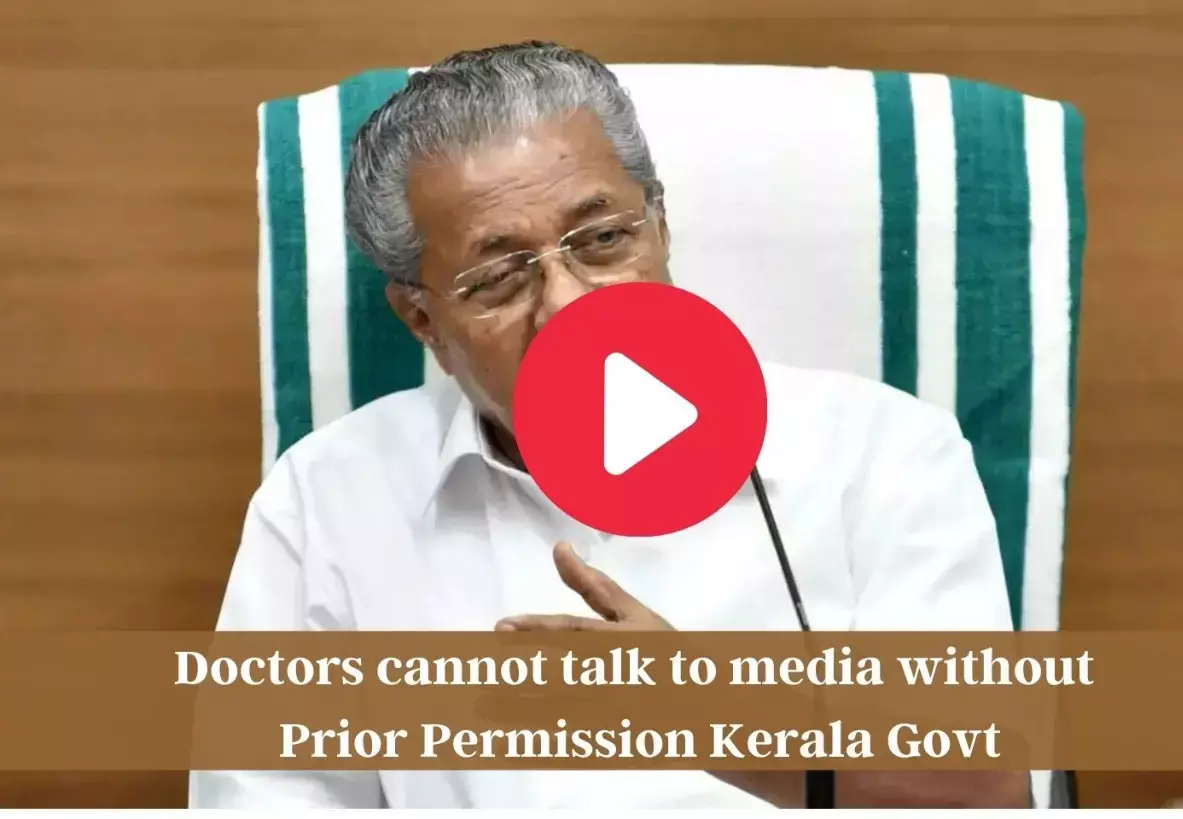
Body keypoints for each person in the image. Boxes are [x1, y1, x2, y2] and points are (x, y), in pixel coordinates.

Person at [190, 41, 1027, 809]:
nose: (568, 305)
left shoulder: (882, 455)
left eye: (600, 241)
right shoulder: (325, 500)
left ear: (659, 230)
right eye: (498, 277)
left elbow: (984, 789)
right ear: (423, 321)